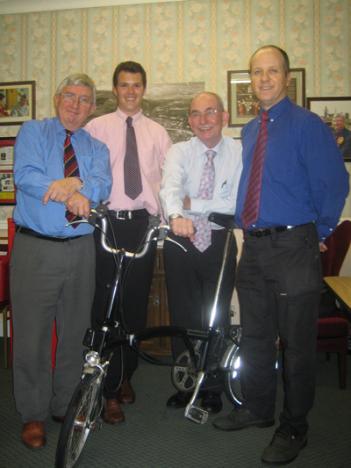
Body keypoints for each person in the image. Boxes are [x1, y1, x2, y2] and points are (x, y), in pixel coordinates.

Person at [213, 45, 349, 465]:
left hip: (293, 247)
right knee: (254, 336)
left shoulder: (308, 125)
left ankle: (295, 426)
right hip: (253, 247)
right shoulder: (251, 130)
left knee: (297, 345)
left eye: (273, 71)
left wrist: (319, 231)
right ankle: (257, 408)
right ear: (250, 80)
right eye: (257, 72)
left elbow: (335, 183)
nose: (265, 78)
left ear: (286, 78)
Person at [10, 73, 112, 450]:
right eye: (70, 96)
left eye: (85, 99)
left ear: (92, 108)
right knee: (33, 337)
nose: (76, 104)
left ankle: (64, 406)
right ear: (57, 99)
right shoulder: (33, 132)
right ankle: (33, 414)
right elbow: (27, 176)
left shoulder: (96, 147)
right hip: (36, 248)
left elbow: (102, 185)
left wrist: (73, 184)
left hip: (81, 250)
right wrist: (72, 188)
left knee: (74, 335)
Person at [85, 61, 172, 424]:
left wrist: (166, 224)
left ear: (144, 88)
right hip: (106, 224)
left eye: (137, 85)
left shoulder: (158, 133)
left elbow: (168, 183)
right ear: (115, 89)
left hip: (142, 225)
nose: (131, 91)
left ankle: (125, 376)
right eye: (124, 85)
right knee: (105, 307)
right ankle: (107, 391)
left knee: (135, 309)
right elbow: (84, 176)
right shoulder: (95, 128)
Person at [160, 92, 242, 413]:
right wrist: (178, 214)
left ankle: (212, 388)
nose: (203, 119)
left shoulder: (240, 151)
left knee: (216, 316)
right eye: (196, 114)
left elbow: (235, 205)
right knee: (183, 317)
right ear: (189, 120)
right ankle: (186, 384)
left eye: (210, 112)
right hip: (180, 241)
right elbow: (170, 189)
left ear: (224, 116)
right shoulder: (178, 151)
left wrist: (194, 205)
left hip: (219, 244)